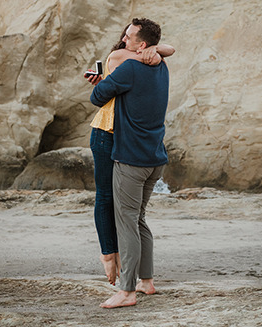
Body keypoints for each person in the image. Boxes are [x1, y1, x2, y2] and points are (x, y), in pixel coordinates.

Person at [90, 17, 171, 308]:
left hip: (131, 160)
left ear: (143, 45)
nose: (124, 40)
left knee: (126, 223)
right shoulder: (162, 67)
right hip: (155, 159)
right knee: (139, 220)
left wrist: (106, 82)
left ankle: (126, 291)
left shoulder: (129, 69)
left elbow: (97, 96)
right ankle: (146, 281)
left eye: (129, 37)